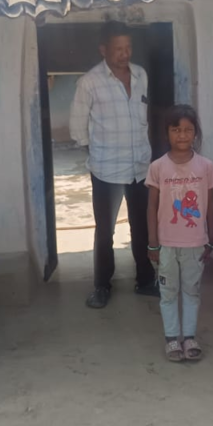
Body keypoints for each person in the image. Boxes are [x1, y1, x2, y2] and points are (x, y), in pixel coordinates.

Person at [69, 20, 158, 309]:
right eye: (118, 48)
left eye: (128, 47)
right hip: (106, 170)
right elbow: (77, 128)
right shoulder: (90, 82)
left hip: (140, 167)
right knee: (105, 231)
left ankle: (145, 280)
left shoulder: (141, 75)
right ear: (103, 50)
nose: (125, 53)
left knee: (142, 227)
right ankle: (101, 285)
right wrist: (98, 151)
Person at [146, 105, 213, 362]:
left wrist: (211, 238)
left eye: (188, 130)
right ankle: (171, 339)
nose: (182, 135)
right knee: (168, 293)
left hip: (195, 242)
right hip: (166, 244)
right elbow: (152, 207)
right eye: (176, 130)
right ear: (167, 133)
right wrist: (152, 243)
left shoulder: (206, 166)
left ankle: (189, 337)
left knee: (191, 291)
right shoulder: (158, 167)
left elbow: (210, 205)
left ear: (195, 133)